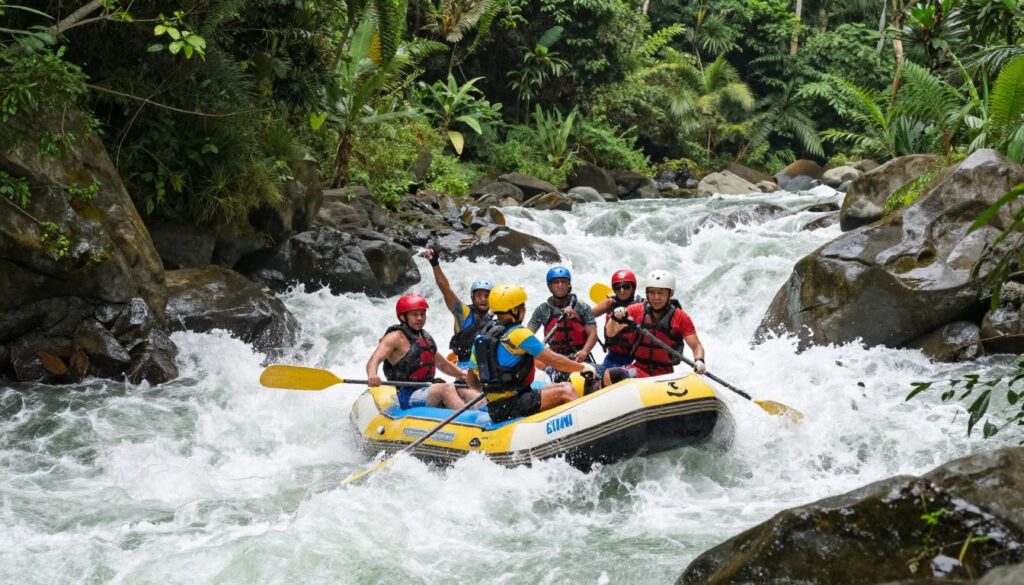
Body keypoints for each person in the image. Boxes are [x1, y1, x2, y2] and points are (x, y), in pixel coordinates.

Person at [467, 284, 596, 423]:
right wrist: (583, 368)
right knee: (566, 389)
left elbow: (472, 381)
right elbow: (555, 360)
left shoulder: (481, 338)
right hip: (515, 404)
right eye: (522, 306)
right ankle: (588, 425)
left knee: (547, 387)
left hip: (495, 408)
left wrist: (495, 389)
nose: (524, 310)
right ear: (514, 309)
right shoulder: (519, 334)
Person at [365, 293, 480, 410]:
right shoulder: (394, 337)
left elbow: (442, 364)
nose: (420, 318)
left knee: (463, 388)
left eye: (422, 314)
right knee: (446, 388)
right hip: (407, 395)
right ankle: (468, 419)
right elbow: (374, 360)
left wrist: (462, 375)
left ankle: (488, 414)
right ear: (402, 317)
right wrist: (372, 374)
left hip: (427, 387)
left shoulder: (425, 337)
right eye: (415, 314)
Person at [602, 270, 706, 387]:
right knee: (609, 375)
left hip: (665, 375)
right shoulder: (636, 310)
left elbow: (696, 346)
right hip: (639, 370)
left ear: (670, 293)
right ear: (647, 293)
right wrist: (614, 318)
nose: (656, 297)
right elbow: (611, 333)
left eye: (661, 292)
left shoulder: (681, 317)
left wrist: (699, 360)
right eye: (652, 292)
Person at [421, 248, 493, 369]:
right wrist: (435, 263)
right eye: (479, 295)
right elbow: (446, 290)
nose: (483, 299)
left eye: (487, 296)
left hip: (488, 369)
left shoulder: (495, 316)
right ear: (472, 298)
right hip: (466, 368)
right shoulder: (464, 313)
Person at [526, 266, 598, 383]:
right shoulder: (542, 310)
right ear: (550, 286)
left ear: (569, 284)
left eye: (563, 282)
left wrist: (585, 351)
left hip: (579, 356)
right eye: (556, 282)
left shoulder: (582, 307)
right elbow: (528, 333)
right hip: (555, 358)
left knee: (592, 378)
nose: (560, 285)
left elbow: (593, 334)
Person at [592, 269, 642, 370]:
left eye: (626, 286)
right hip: (613, 356)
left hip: (635, 358)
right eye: (617, 287)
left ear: (633, 287)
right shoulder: (610, 303)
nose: (622, 290)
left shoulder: (641, 306)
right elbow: (587, 315)